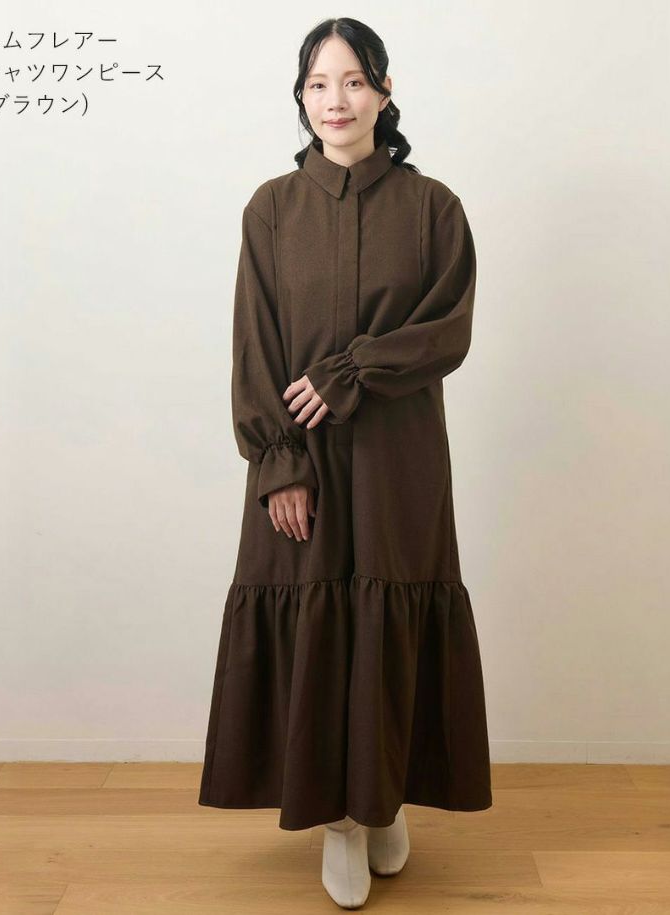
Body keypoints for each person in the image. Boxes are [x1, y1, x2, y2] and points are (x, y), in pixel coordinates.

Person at [198, 16, 493, 909]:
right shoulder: (270, 210)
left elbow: (446, 331)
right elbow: (254, 344)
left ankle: (383, 797)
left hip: (401, 456)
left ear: (385, 91)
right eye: (320, 84)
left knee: (389, 617)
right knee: (318, 626)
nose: (337, 100)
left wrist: (350, 370)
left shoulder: (434, 207)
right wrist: (279, 462)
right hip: (306, 461)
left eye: (354, 81)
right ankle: (339, 820)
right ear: (300, 98)